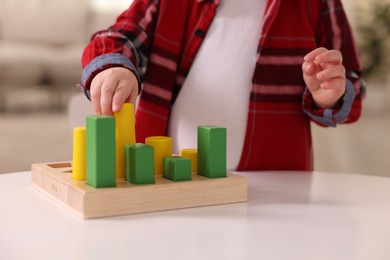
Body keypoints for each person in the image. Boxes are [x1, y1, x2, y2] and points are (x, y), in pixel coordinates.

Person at [78, 0, 366, 171]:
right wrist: (113, 64)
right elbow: (121, 35)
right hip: (163, 176)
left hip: (275, 183)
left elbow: (351, 81)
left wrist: (328, 95)